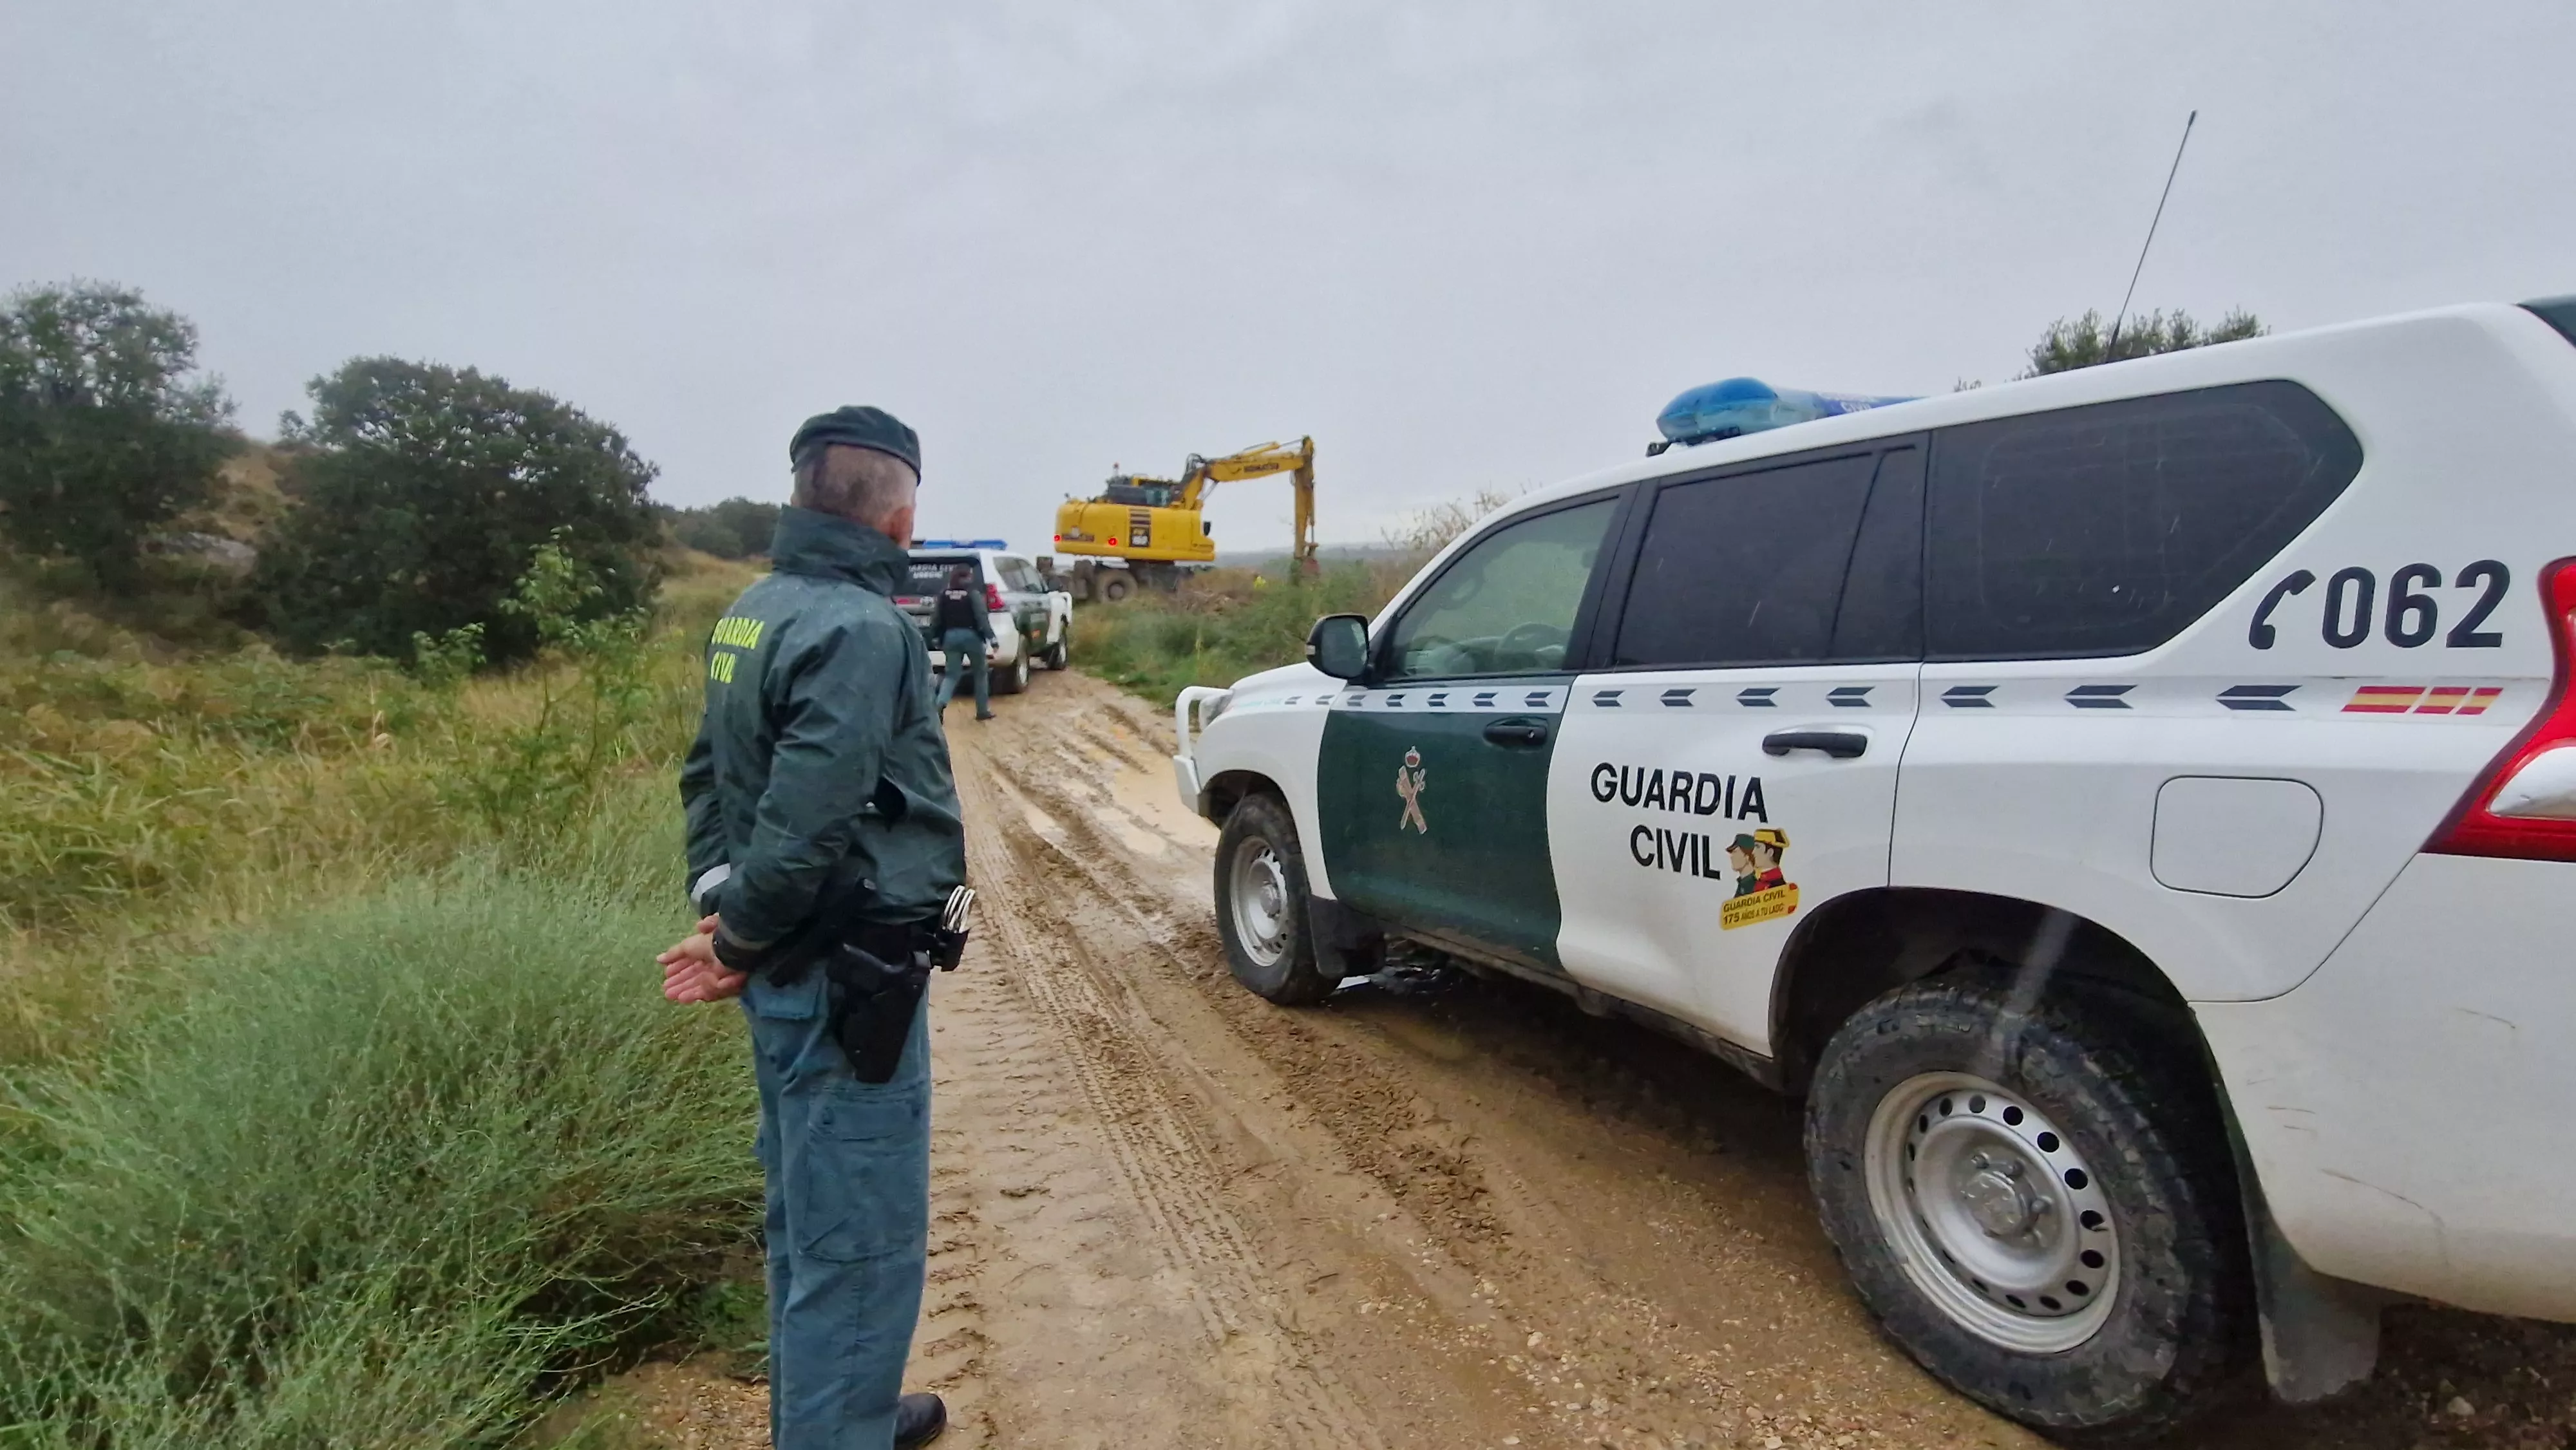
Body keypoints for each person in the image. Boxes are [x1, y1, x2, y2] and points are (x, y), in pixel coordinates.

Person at [658, 405, 960, 1450]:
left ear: (800, 496)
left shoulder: (752, 610)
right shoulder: (865, 630)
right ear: (901, 516)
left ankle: (837, 1418)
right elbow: (809, 824)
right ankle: (838, 1429)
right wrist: (735, 939)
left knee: (806, 1213)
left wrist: (724, 908)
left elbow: (709, 776)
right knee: (858, 1239)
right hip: (847, 975)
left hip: (792, 967)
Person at [930, 563, 994, 720]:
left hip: (950, 637)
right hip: (972, 637)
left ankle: (940, 704)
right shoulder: (972, 594)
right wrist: (992, 638)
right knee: (980, 673)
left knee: (951, 675)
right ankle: (982, 711)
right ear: (967, 578)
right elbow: (981, 617)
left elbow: (936, 618)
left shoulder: (944, 595)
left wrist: (936, 637)